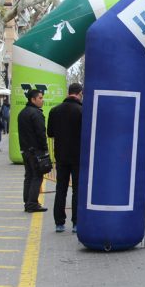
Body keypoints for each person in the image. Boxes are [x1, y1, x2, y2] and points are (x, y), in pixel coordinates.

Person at [47, 83, 83, 233]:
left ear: (69, 93)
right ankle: (76, 223)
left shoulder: (54, 111)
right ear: (80, 93)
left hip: (60, 156)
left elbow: (50, 133)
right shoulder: (82, 111)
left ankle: (59, 223)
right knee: (77, 190)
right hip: (78, 156)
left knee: (60, 189)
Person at [18, 89, 49, 213]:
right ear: (33, 99)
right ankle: (32, 204)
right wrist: (45, 149)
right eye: (40, 98)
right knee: (37, 176)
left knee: (29, 176)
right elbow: (41, 133)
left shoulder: (22, 113)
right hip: (36, 151)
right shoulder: (36, 114)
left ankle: (27, 201)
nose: (42, 100)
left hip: (25, 150)